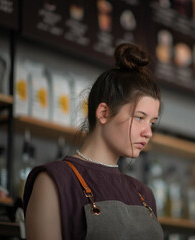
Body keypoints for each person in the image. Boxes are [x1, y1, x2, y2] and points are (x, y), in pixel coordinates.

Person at [23, 43, 164, 240]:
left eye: (152, 122)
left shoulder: (143, 195)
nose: (148, 132)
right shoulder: (55, 180)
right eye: (139, 117)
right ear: (104, 113)